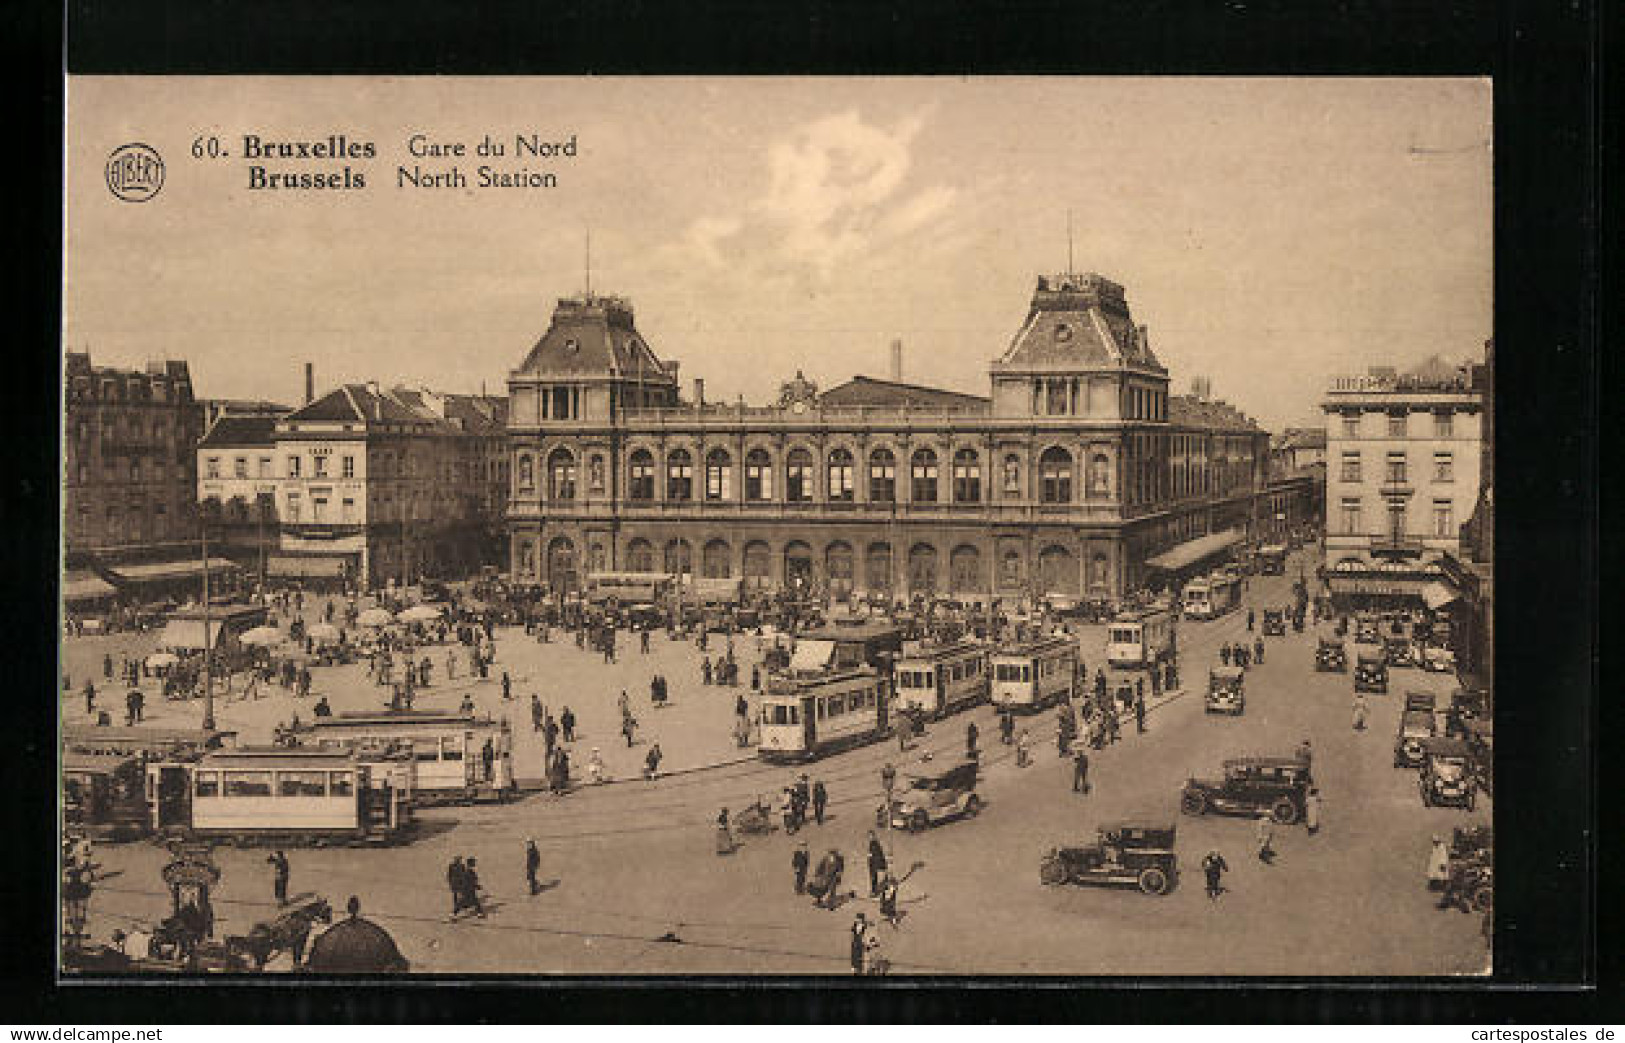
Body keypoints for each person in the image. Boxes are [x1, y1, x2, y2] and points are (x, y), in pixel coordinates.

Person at [866, 831, 888, 897]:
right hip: (874, 863)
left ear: (873, 836)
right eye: (869, 836)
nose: (869, 837)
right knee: (874, 878)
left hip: (874, 864)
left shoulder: (873, 844)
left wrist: (870, 856)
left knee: (873, 878)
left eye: (870, 836)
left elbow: (876, 854)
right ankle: (875, 890)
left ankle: (874, 892)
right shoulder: (874, 843)